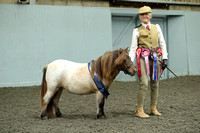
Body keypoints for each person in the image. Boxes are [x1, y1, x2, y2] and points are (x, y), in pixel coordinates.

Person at [129, 6, 168, 118]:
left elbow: (162, 43)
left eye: (147, 14)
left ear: (150, 15)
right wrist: (130, 62)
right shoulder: (136, 30)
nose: (145, 16)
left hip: (156, 58)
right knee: (144, 83)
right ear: (140, 17)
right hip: (142, 59)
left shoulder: (157, 27)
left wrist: (164, 58)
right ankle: (139, 109)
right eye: (142, 15)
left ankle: (153, 108)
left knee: (155, 83)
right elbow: (133, 48)